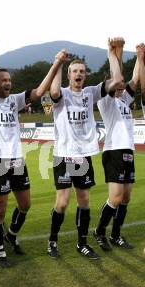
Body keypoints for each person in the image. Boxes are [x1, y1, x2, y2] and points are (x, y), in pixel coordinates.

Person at [0, 35, 65, 266]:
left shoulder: (13, 100)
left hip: (16, 160)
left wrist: (56, 64)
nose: (8, 83)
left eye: (9, 80)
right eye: (3, 80)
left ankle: (11, 236)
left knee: (25, 204)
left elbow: (38, 92)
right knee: (0, 210)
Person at [47, 38, 123, 260]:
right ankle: (52, 241)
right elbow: (53, 90)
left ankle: (82, 243)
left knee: (84, 201)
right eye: (74, 71)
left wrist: (111, 53)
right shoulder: (62, 95)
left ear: (85, 74)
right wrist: (59, 63)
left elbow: (117, 81)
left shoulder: (90, 92)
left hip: (83, 156)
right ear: (69, 74)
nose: (78, 74)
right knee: (62, 202)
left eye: (81, 71)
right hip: (64, 155)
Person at [93, 42, 145, 251]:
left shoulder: (124, 100)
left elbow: (134, 78)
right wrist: (111, 53)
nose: (122, 85)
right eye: (117, 83)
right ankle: (99, 231)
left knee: (125, 198)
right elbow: (118, 77)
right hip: (113, 151)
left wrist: (140, 58)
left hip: (127, 151)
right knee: (115, 197)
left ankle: (116, 235)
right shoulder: (105, 101)